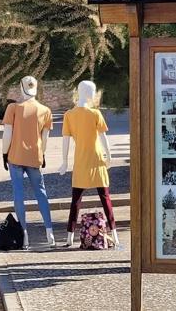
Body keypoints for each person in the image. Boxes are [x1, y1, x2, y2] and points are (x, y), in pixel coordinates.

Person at [59, 80, 119, 247]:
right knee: (105, 197)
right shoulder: (95, 114)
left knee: (76, 200)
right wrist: (109, 155)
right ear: (87, 93)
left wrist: (64, 162)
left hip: (81, 161)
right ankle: (114, 233)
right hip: (96, 159)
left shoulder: (69, 115)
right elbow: (103, 137)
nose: (94, 95)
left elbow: (66, 140)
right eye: (92, 91)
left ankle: (69, 236)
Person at [2, 76, 55, 249]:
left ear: (21, 87)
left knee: (18, 195)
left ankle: (24, 235)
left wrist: (4, 153)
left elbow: (7, 134)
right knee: (41, 193)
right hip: (35, 157)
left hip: (15, 157)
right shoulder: (45, 111)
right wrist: (42, 154)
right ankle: (50, 233)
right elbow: (45, 138)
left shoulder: (13, 108)